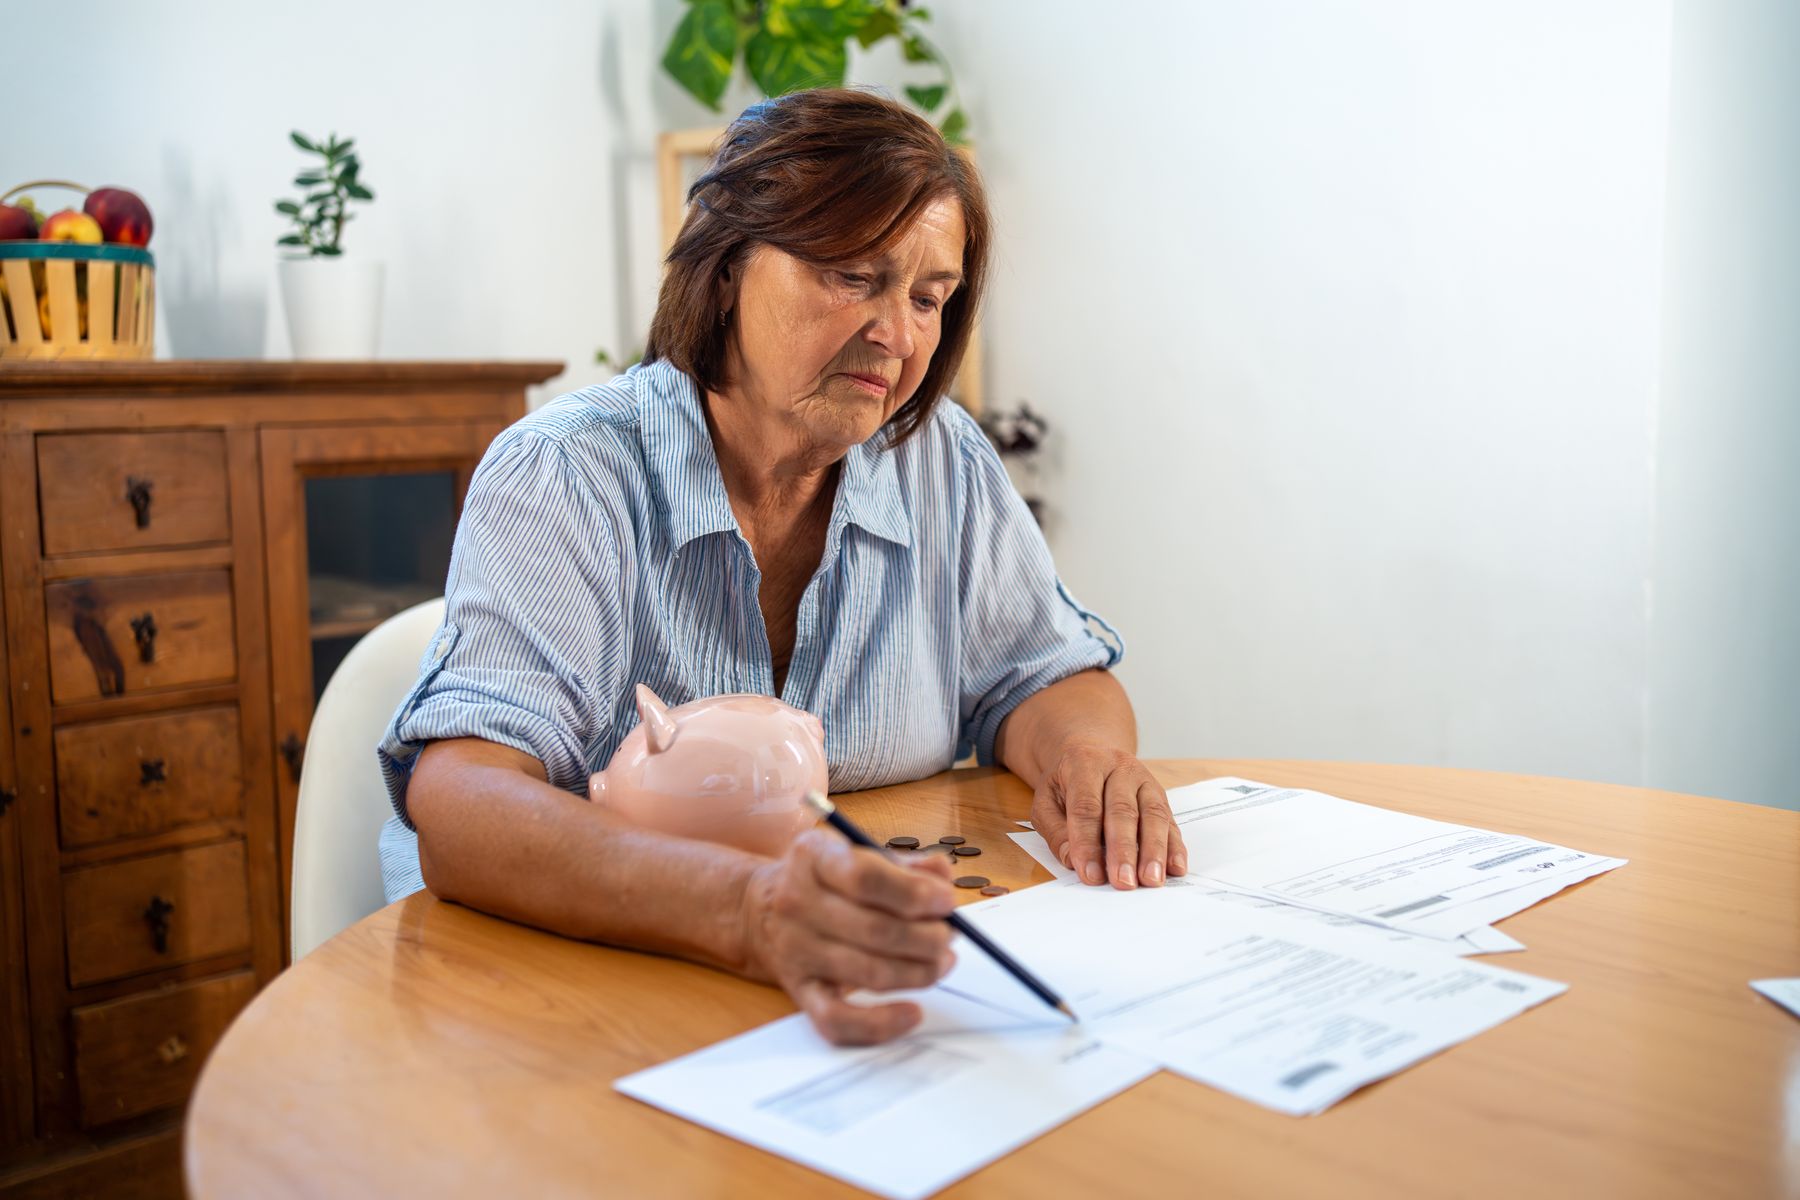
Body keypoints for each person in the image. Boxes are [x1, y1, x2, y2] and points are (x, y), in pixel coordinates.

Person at [378, 88, 1185, 1045]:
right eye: (853, 276)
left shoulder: (943, 463)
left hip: (846, 984)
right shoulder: (567, 473)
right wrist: (748, 908)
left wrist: (1089, 760)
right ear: (724, 270)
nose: (900, 333)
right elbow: (464, 801)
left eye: (929, 297)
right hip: (572, 1004)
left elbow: (1047, 677)